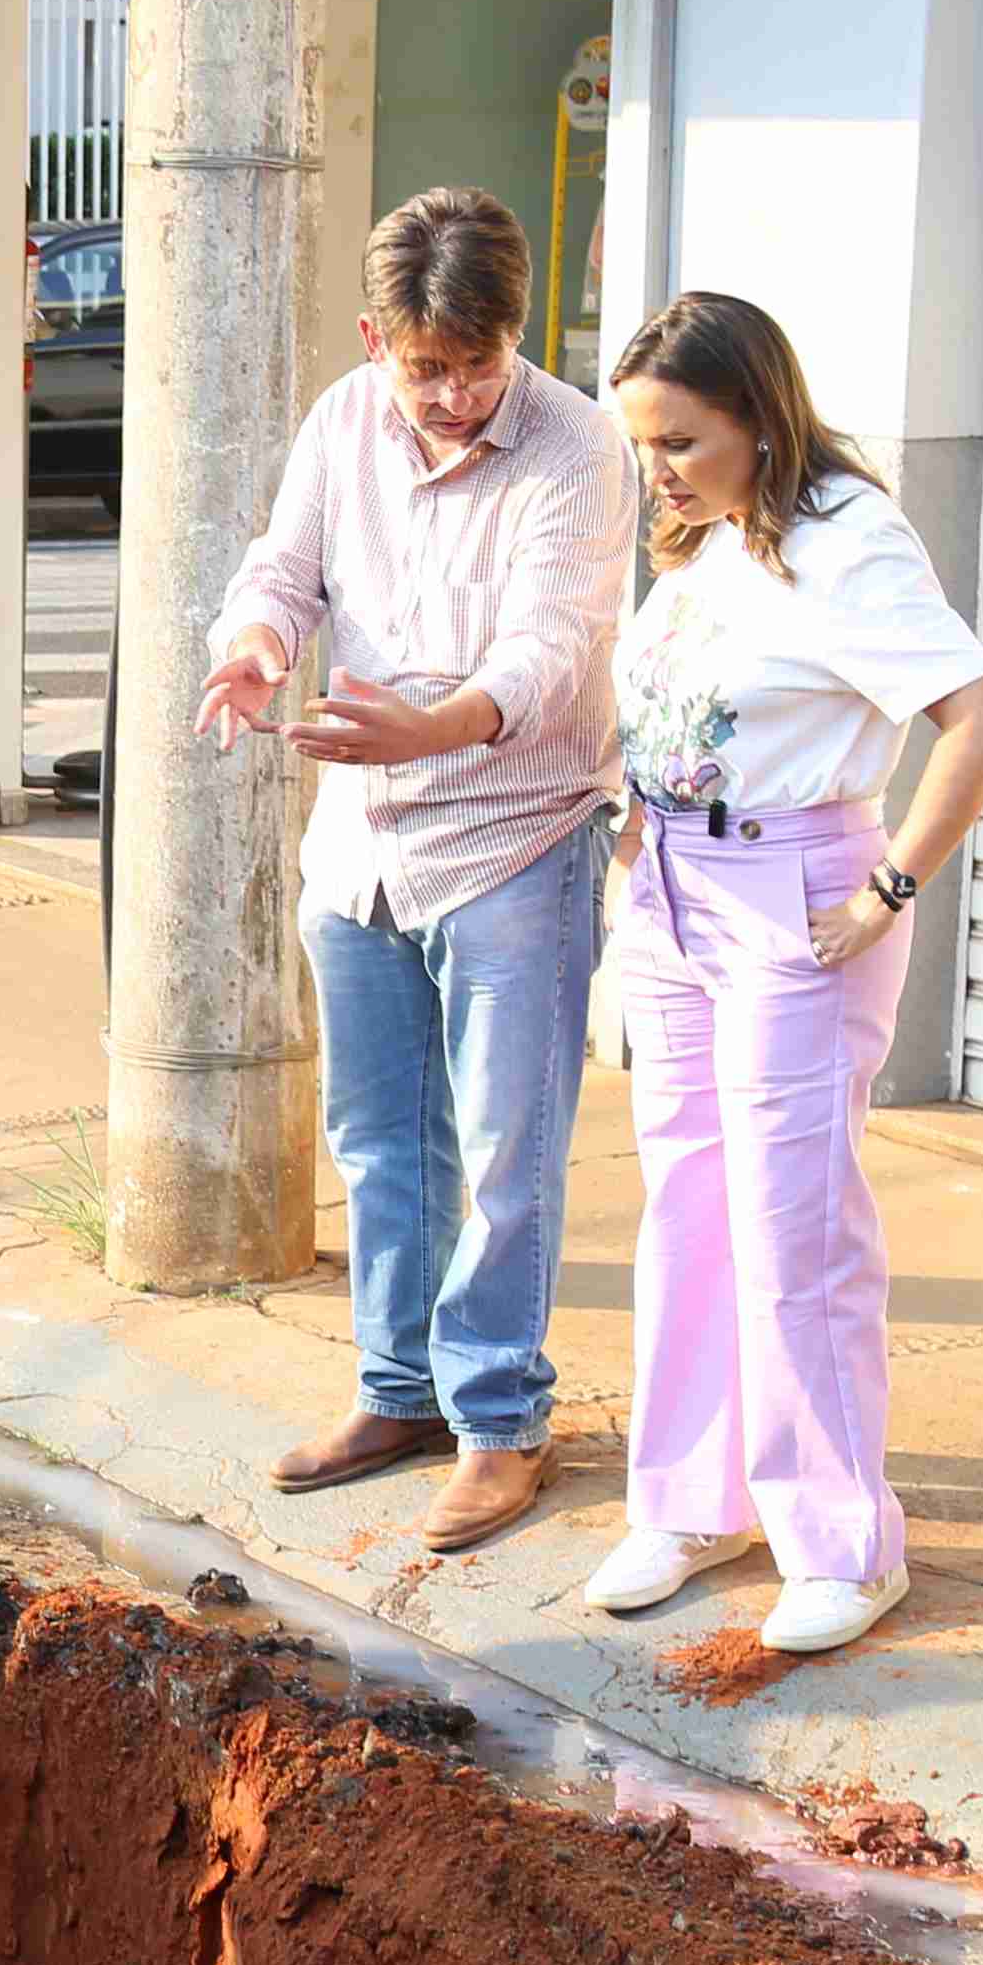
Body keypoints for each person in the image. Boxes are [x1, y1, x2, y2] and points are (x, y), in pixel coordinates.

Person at [190, 186, 637, 1553]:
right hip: (362, 846)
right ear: (380, 335)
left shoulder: (580, 447)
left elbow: (554, 649)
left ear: (514, 334)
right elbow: (287, 566)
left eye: (478, 367)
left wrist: (433, 727)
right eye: (426, 367)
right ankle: (400, 1389)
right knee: (382, 1141)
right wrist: (253, 645)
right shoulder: (345, 415)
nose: (451, 396)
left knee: (509, 1148)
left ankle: (502, 1420)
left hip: (519, 833)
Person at [581, 290, 983, 1657]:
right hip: (672, 894)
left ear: (760, 420)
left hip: (795, 897)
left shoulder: (846, 542)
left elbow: (980, 717)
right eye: (643, 440)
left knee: (794, 1228)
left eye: (682, 441)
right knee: (691, 1210)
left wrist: (892, 884)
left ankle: (840, 1540)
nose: (657, 467)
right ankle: (693, 1495)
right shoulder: (712, 535)